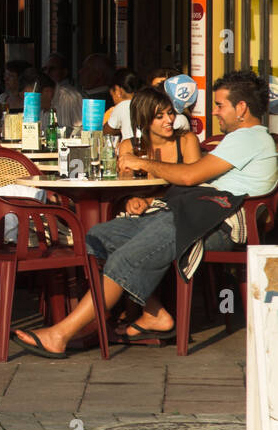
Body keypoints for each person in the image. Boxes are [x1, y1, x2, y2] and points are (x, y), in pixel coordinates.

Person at [14, 71, 278, 357]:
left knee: (126, 255)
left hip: (217, 225)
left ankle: (59, 334)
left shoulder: (248, 138)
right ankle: (155, 313)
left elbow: (190, 176)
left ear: (241, 109)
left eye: (220, 105)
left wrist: (143, 163)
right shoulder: (243, 139)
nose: (215, 112)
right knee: (101, 235)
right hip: (195, 215)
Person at [115, 88, 202, 176]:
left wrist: (143, 164)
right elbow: (127, 183)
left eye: (170, 112)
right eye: (159, 116)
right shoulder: (129, 146)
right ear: (144, 120)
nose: (169, 120)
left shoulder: (186, 140)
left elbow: (193, 176)